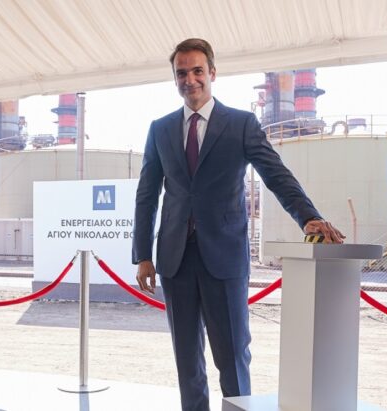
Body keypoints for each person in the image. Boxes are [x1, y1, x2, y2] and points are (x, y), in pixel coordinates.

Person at [132, 38, 344, 411]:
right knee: (186, 360)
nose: (190, 79)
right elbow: (147, 194)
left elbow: (275, 174)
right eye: (181, 73)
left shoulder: (241, 124)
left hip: (224, 258)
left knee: (232, 357)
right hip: (175, 260)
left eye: (197, 71)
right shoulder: (159, 129)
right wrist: (143, 255)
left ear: (212, 73)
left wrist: (307, 216)